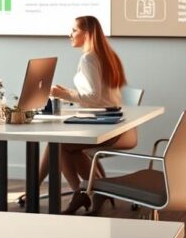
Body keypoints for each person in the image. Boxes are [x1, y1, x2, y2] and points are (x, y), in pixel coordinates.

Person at [47, 15, 137, 214]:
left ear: (87, 33)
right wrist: (68, 92)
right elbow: (101, 95)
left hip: (103, 125)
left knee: (59, 146)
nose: (69, 34)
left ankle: (82, 192)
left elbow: (94, 97)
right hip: (115, 122)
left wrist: (61, 93)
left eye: (74, 30)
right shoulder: (107, 55)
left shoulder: (88, 58)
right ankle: (96, 190)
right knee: (67, 147)